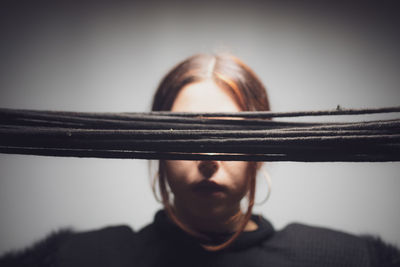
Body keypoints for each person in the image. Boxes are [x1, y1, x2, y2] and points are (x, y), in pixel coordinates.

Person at [1, 53, 399, 267]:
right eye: (186, 134)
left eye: (230, 134)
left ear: (260, 155)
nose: (208, 156)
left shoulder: (344, 259)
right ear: (154, 150)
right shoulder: (81, 258)